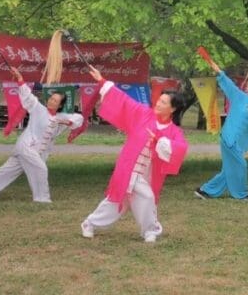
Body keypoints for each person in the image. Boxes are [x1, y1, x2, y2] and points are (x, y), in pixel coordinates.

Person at [80, 65, 188, 242]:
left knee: (117, 202)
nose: (158, 103)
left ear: (172, 109)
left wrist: (159, 140)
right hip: (130, 167)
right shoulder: (143, 114)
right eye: (159, 100)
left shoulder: (174, 131)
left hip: (148, 173)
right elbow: (123, 101)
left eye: (163, 102)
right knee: (145, 196)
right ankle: (151, 230)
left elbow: (180, 148)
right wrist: (102, 81)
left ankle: (90, 223)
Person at [0, 67, 83, 204]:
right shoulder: (39, 109)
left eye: (55, 101)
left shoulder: (62, 117)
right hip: (26, 147)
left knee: (4, 172)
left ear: (60, 105)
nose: (51, 101)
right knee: (40, 169)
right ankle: (42, 199)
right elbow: (29, 98)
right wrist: (20, 80)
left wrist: (67, 121)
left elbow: (78, 118)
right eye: (51, 98)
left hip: (37, 152)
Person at [195, 62, 248, 200]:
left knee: (229, 170)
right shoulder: (241, 97)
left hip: (240, 144)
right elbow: (230, 86)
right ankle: (242, 194)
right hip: (228, 137)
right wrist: (219, 72)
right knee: (241, 165)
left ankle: (205, 191)